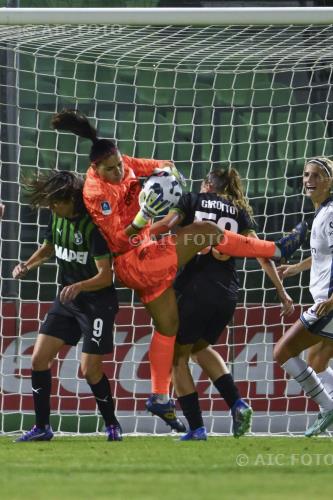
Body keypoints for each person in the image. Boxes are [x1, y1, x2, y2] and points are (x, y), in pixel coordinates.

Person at [52, 109, 307, 433]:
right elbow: (120, 237)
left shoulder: (122, 163)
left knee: (169, 328)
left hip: (146, 260)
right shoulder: (96, 193)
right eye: (110, 169)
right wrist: (144, 217)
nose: (118, 171)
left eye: (119, 165)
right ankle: (278, 249)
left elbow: (159, 166)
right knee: (206, 231)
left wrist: (167, 176)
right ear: (96, 169)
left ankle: (160, 396)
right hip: (135, 258)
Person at [150, 167, 294, 440]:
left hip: (193, 289)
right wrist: (282, 292)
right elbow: (260, 253)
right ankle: (238, 404)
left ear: (207, 184)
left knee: (176, 357)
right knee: (200, 348)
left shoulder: (192, 200)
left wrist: (139, 232)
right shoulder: (239, 211)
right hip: (227, 295)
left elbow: (167, 224)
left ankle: (196, 428)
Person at [13, 170, 122, 442]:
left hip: (97, 303)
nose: (52, 207)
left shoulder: (93, 227)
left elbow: (106, 275)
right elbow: (49, 247)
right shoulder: (57, 218)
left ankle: (112, 425)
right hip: (68, 300)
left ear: (70, 199)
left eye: (56, 202)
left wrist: (81, 286)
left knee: (90, 371)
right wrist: (27, 265)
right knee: (38, 359)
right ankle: (42, 427)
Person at [274, 157, 333, 437]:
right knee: (316, 364)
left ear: (330, 181)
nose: (309, 180)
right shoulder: (321, 213)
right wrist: (297, 267)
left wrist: (331, 301)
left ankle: (327, 408)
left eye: (317, 175)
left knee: (283, 351)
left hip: (328, 304)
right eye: (306, 175)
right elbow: (324, 255)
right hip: (326, 302)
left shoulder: (332, 213)